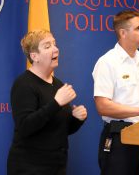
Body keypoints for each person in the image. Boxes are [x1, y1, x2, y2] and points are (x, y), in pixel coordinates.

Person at [7, 29, 87, 175]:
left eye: (54, 44)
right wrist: (56, 103)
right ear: (34, 56)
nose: (56, 49)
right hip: (30, 168)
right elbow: (25, 126)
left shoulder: (57, 84)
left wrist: (76, 119)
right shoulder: (23, 84)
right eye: (47, 46)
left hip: (57, 167)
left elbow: (61, 129)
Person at [92, 10, 139, 175]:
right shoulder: (107, 62)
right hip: (119, 138)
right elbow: (103, 106)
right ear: (123, 33)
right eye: (138, 28)